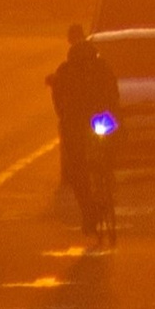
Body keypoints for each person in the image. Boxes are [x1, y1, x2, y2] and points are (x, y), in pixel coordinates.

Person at [47, 16, 117, 203]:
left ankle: (91, 205)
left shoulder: (73, 69)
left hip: (89, 120)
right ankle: (95, 197)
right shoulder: (98, 67)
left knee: (79, 165)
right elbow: (113, 92)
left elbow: (58, 98)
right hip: (89, 120)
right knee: (80, 162)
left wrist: (64, 115)